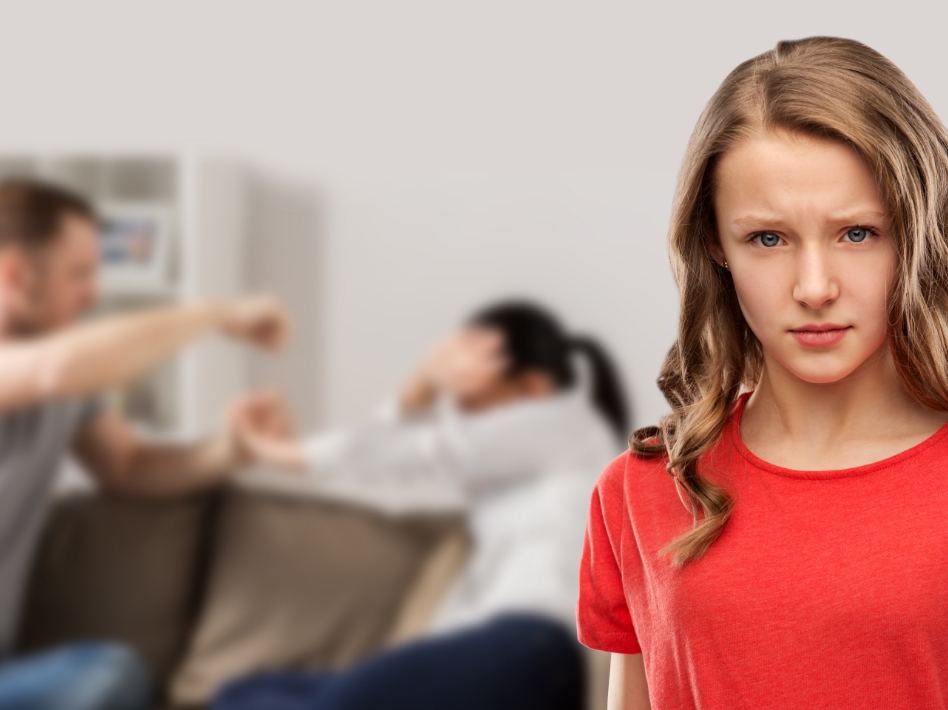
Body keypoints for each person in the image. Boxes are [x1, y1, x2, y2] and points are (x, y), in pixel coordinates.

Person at [577, 36, 948, 710]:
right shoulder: (641, 488)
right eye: (768, 238)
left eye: (858, 233)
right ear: (715, 244)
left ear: (918, 232)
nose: (814, 288)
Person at [215, 301, 629, 710]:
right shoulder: (510, 475)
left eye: (474, 405)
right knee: (240, 694)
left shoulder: (571, 427)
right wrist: (416, 394)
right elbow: (398, 446)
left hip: (535, 648)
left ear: (532, 386)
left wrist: (278, 452)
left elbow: (423, 452)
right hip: (488, 650)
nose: (462, 417)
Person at [0, 179, 291, 710]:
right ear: (15, 273)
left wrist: (233, 449)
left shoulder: (63, 381)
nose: (94, 292)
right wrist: (216, 313)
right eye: (79, 274)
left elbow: (127, 465)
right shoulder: (55, 368)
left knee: (113, 673)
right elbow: (58, 368)